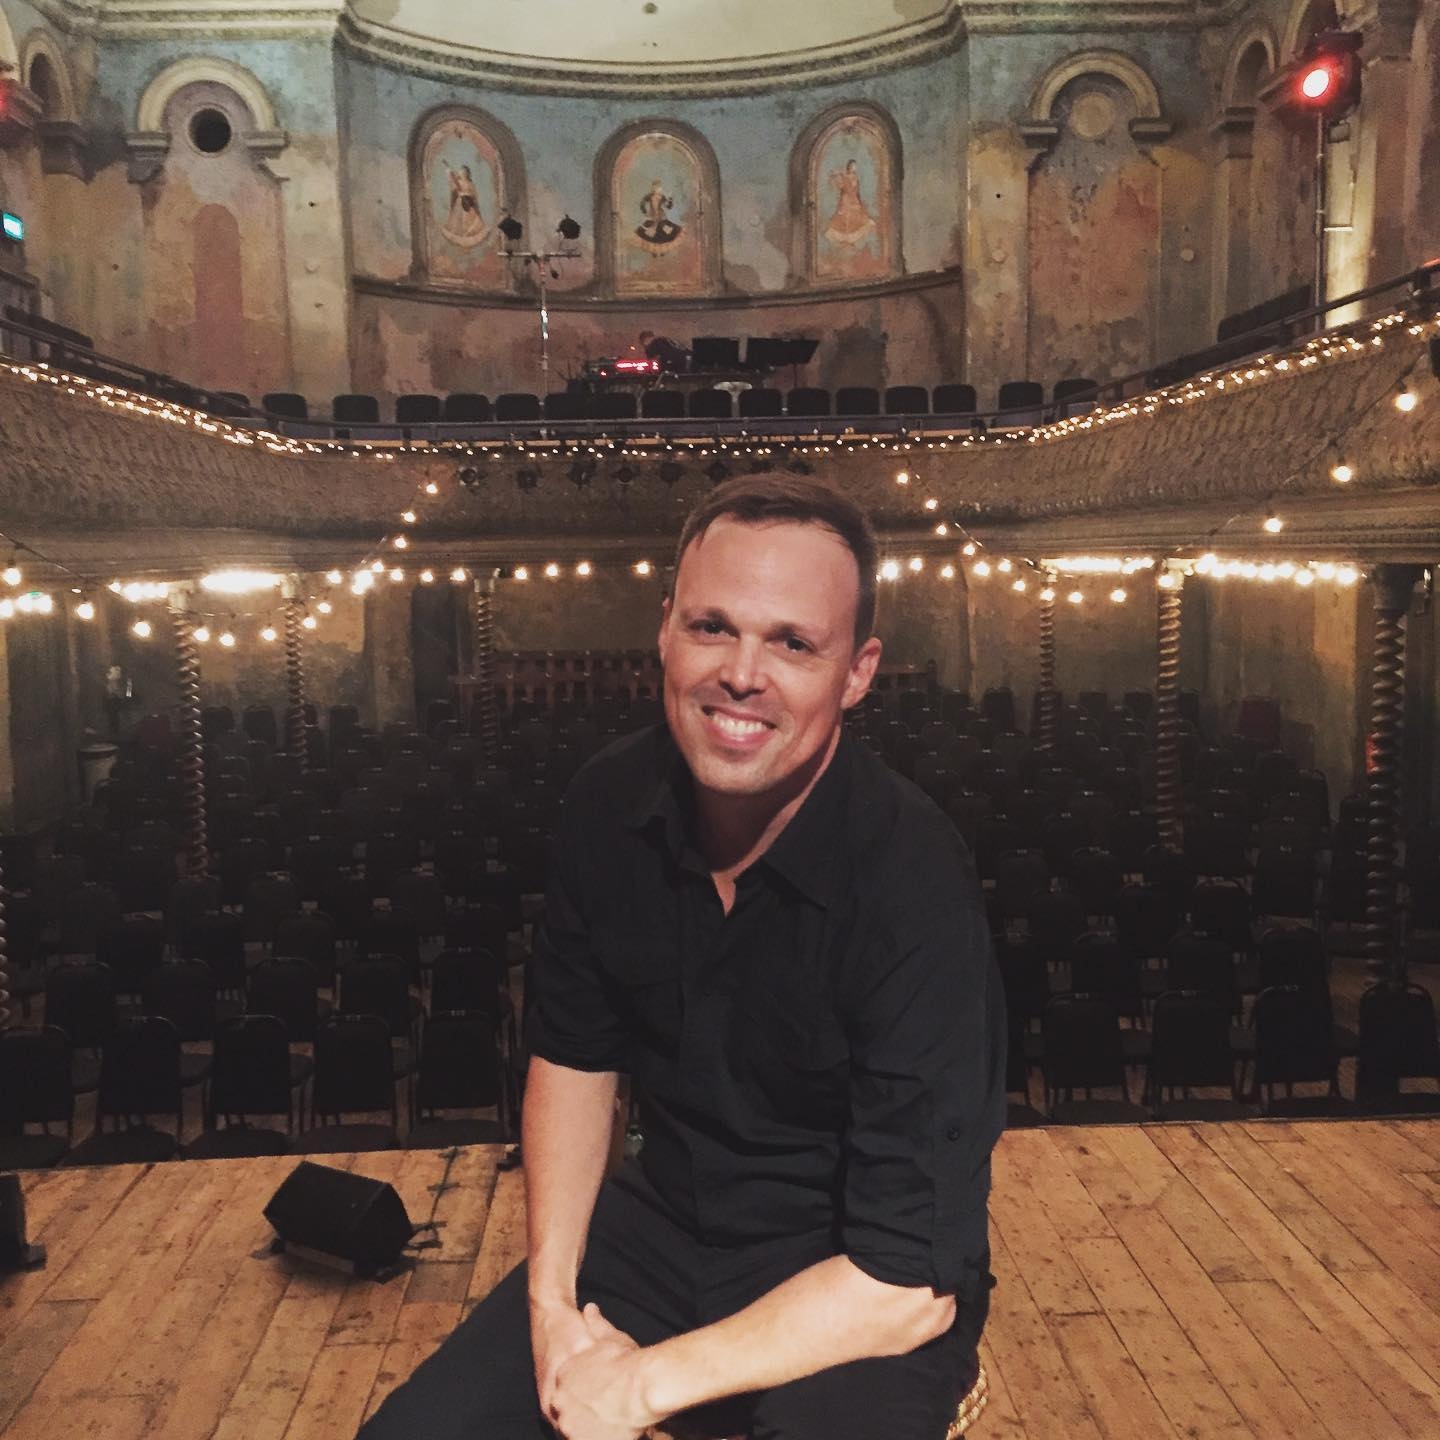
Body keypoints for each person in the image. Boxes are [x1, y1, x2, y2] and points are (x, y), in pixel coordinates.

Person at [359, 476, 1005, 1440]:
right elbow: (574, 1063)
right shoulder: (607, 801)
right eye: (712, 627)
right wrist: (552, 1309)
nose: (742, 674)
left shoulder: (915, 879)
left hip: (850, 1271)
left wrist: (637, 1386)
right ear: (664, 630)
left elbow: (909, 1282)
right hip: (658, 1231)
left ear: (858, 672)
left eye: (793, 643)